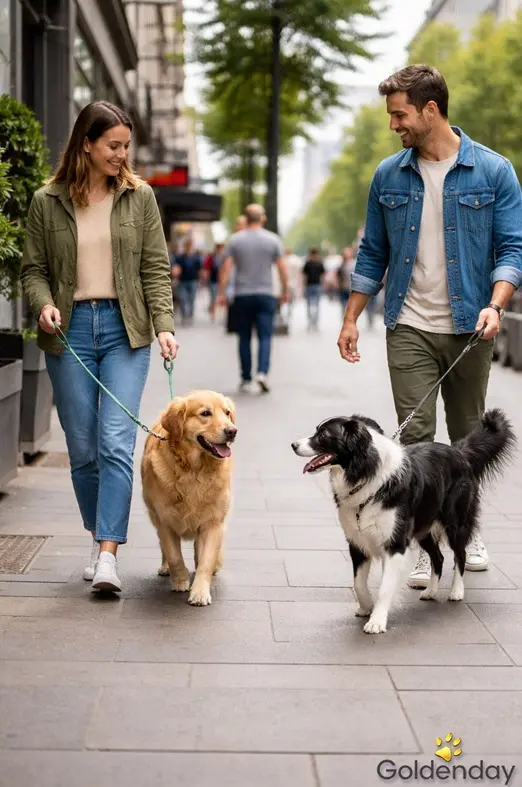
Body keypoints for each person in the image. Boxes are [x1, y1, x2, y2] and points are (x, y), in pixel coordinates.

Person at [336, 64, 522, 588]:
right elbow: (373, 252)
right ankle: (420, 540)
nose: (393, 124)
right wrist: (351, 318)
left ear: (431, 110)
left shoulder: (494, 171)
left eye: (400, 114)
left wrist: (496, 304)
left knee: (466, 437)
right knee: (415, 438)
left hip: (471, 325)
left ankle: (465, 529)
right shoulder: (388, 175)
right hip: (409, 323)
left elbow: (512, 248)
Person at [20, 100, 178, 593]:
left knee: (115, 441)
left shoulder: (140, 197)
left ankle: (109, 555)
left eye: (126, 146)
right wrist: (44, 303)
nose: (121, 155)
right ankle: (97, 534)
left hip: (124, 329)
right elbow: (32, 270)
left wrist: (165, 326)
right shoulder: (47, 200)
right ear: (85, 144)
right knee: (83, 448)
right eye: (113, 145)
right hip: (68, 332)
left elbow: (155, 268)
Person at [218, 203, 289, 393]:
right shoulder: (273, 240)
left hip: (242, 295)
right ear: (263, 218)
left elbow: (226, 269)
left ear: (246, 218)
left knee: (244, 337)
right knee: (265, 336)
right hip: (266, 294)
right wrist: (285, 291)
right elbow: (282, 268)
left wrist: (221, 293)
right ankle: (262, 373)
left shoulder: (235, 240)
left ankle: (246, 377)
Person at [172, 239, 203, 325]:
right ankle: (184, 316)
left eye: (190, 246)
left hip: (193, 281)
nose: (189, 247)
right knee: (182, 299)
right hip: (182, 281)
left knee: (191, 299)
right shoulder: (180, 257)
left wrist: (201, 280)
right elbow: (176, 268)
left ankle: (190, 316)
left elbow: (199, 269)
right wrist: (175, 275)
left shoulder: (196, 257)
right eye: (187, 246)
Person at [302, 248, 325, 330]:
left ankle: (315, 322)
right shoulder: (307, 264)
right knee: (309, 305)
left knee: (316, 305)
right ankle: (310, 321)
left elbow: (322, 275)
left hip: (316, 285)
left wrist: (323, 285)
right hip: (309, 286)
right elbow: (304, 275)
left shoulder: (319, 263)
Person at [203, 242, 225, 321]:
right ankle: (213, 312)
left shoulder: (224, 257)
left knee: (219, 297)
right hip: (213, 280)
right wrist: (206, 278)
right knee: (213, 297)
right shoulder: (212, 257)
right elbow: (207, 268)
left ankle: (215, 310)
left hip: (221, 280)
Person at [337, 246, 354, 314]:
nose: (345, 255)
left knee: (351, 306)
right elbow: (338, 275)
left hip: (352, 289)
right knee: (343, 305)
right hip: (343, 288)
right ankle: (344, 317)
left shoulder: (354, 264)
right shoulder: (341, 265)